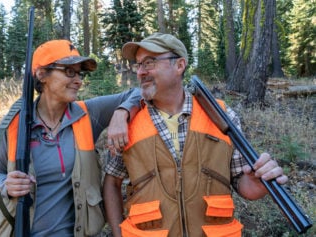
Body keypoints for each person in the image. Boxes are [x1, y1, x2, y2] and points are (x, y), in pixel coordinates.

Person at [103, 33, 289, 237]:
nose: (140, 72)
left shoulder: (223, 116)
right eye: (138, 65)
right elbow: (112, 182)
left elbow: (241, 182)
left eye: (149, 62)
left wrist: (256, 183)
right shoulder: (126, 123)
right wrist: (117, 231)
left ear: (180, 65)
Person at [0, 39, 141, 237]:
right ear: (42, 75)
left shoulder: (87, 114)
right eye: (69, 72)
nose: (78, 80)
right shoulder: (15, 123)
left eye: (80, 73)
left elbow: (138, 93)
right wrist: (5, 184)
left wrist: (121, 112)